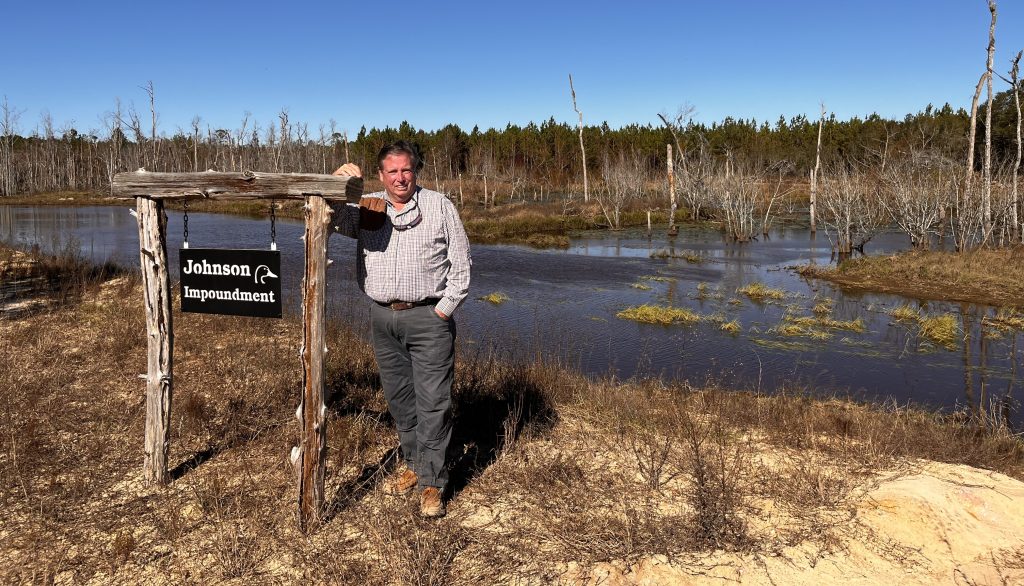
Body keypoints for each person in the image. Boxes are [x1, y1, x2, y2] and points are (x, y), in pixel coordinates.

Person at [330, 141, 471, 518]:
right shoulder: (368, 206)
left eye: (406, 170)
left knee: (434, 404)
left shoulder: (440, 206)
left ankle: (432, 484)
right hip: (382, 318)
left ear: (416, 171)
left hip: (428, 319)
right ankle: (413, 463)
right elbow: (331, 221)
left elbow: (461, 265)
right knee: (400, 401)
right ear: (380, 175)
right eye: (392, 171)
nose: (400, 178)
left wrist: (443, 311)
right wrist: (336, 186)